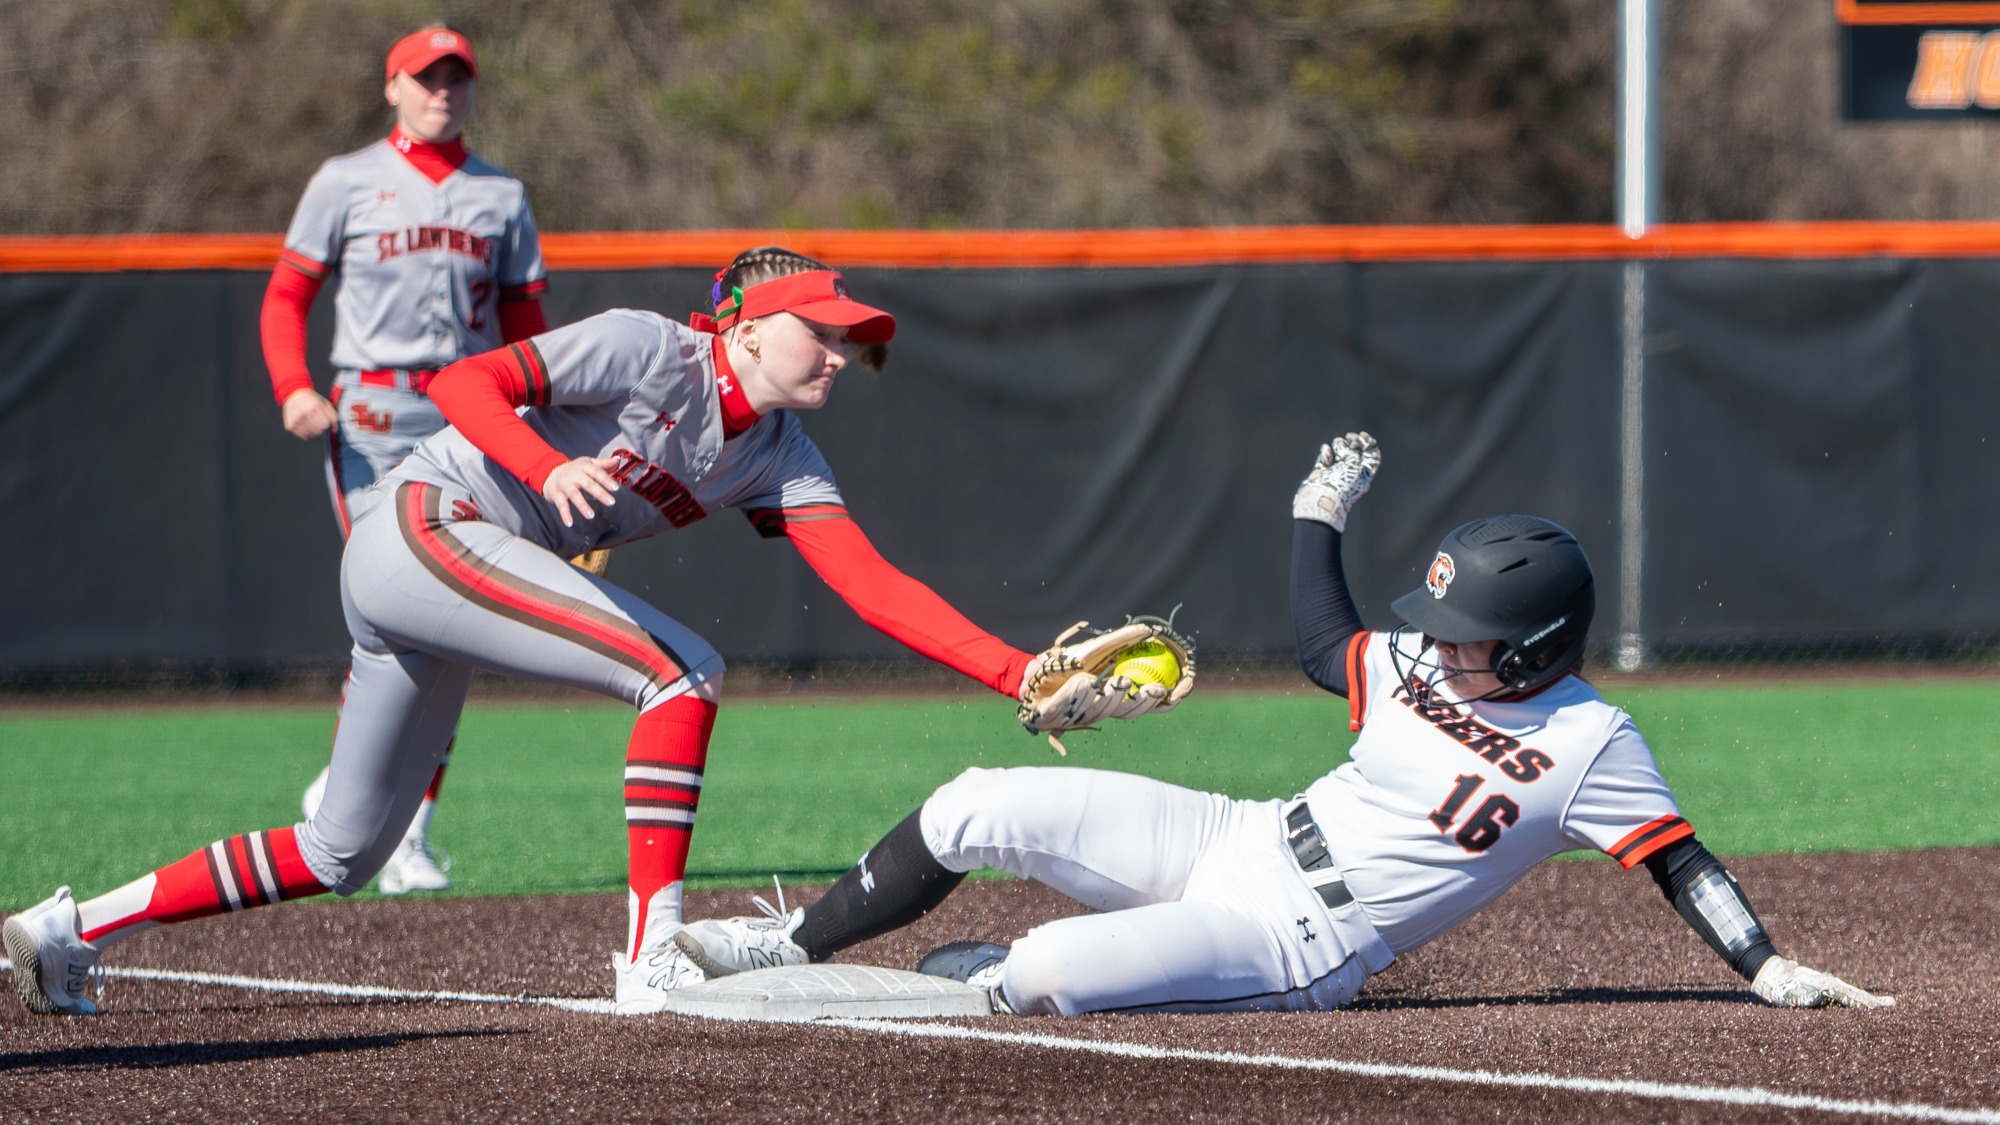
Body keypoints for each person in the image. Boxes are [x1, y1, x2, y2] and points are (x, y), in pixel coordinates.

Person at [3, 248, 1175, 1018]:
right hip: (423, 526)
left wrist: (1014, 670)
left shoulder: (779, 453)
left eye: (844, 333)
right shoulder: (644, 346)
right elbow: (468, 386)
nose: (836, 349)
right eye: (816, 329)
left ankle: (68, 928)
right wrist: (542, 463)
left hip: (443, 577)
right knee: (680, 672)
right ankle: (650, 957)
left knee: (340, 851)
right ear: (748, 326)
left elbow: (871, 586)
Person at [671, 432, 1894, 1016]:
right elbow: (1325, 646)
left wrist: (1764, 964)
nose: (1437, 640)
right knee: (977, 800)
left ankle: (990, 975)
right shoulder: (1425, 658)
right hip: (1238, 838)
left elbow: (1679, 862)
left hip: (1302, 947)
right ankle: (800, 944)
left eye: (1466, 631)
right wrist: (1318, 514)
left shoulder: (1593, 742)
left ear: (1534, 647)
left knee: (1038, 975)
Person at [260, 26, 551, 894]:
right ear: (392, 86)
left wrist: (537, 419)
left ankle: (398, 821)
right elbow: (287, 295)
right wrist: (292, 387)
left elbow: (527, 322)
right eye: (427, 77)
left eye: (457, 77)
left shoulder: (501, 194)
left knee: (449, 623)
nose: (443, 91)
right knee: (411, 611)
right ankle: (378, 811)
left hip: (469, 416)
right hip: (373, 415)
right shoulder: (345, 180)